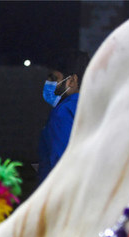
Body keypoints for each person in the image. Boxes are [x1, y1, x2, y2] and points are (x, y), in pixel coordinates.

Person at [37, 49, 90, 183]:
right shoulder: (94, 107)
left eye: (54, 78)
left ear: (72, 81)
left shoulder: (63, 112)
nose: (48, 83)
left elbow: (62, 164)